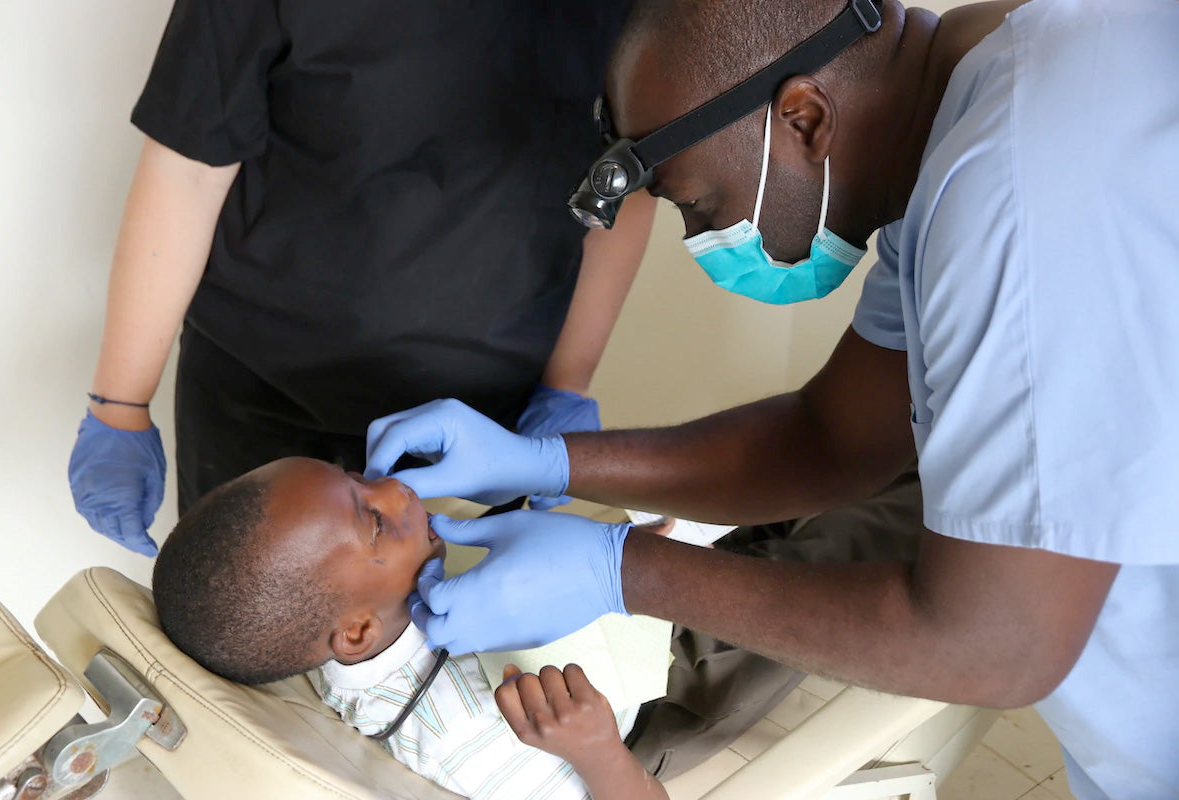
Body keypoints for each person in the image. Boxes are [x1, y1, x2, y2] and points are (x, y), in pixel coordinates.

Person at [361, 0, 1179, 797]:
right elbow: (832, 440)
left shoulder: (1021, 190)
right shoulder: (969, 135)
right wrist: (551, 460)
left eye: (698, 206)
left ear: (803, 120)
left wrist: (622, 570)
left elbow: (1000, 644)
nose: (697, 239)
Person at [66, 1, 656, 556]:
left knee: (441, 653)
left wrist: (567, 385)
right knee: (250, 643)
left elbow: (629, 181)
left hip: (484, 426)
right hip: (258, 399)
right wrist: (120, 403)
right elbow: (190, 164)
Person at [152, 456, 668, 800]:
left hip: (628, 597)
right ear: (356, 633)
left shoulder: (380, 608)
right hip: (655, 707)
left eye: (356, 477)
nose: (397, 488)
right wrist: (597, 751)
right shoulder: (467, 733)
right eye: (374, 520)